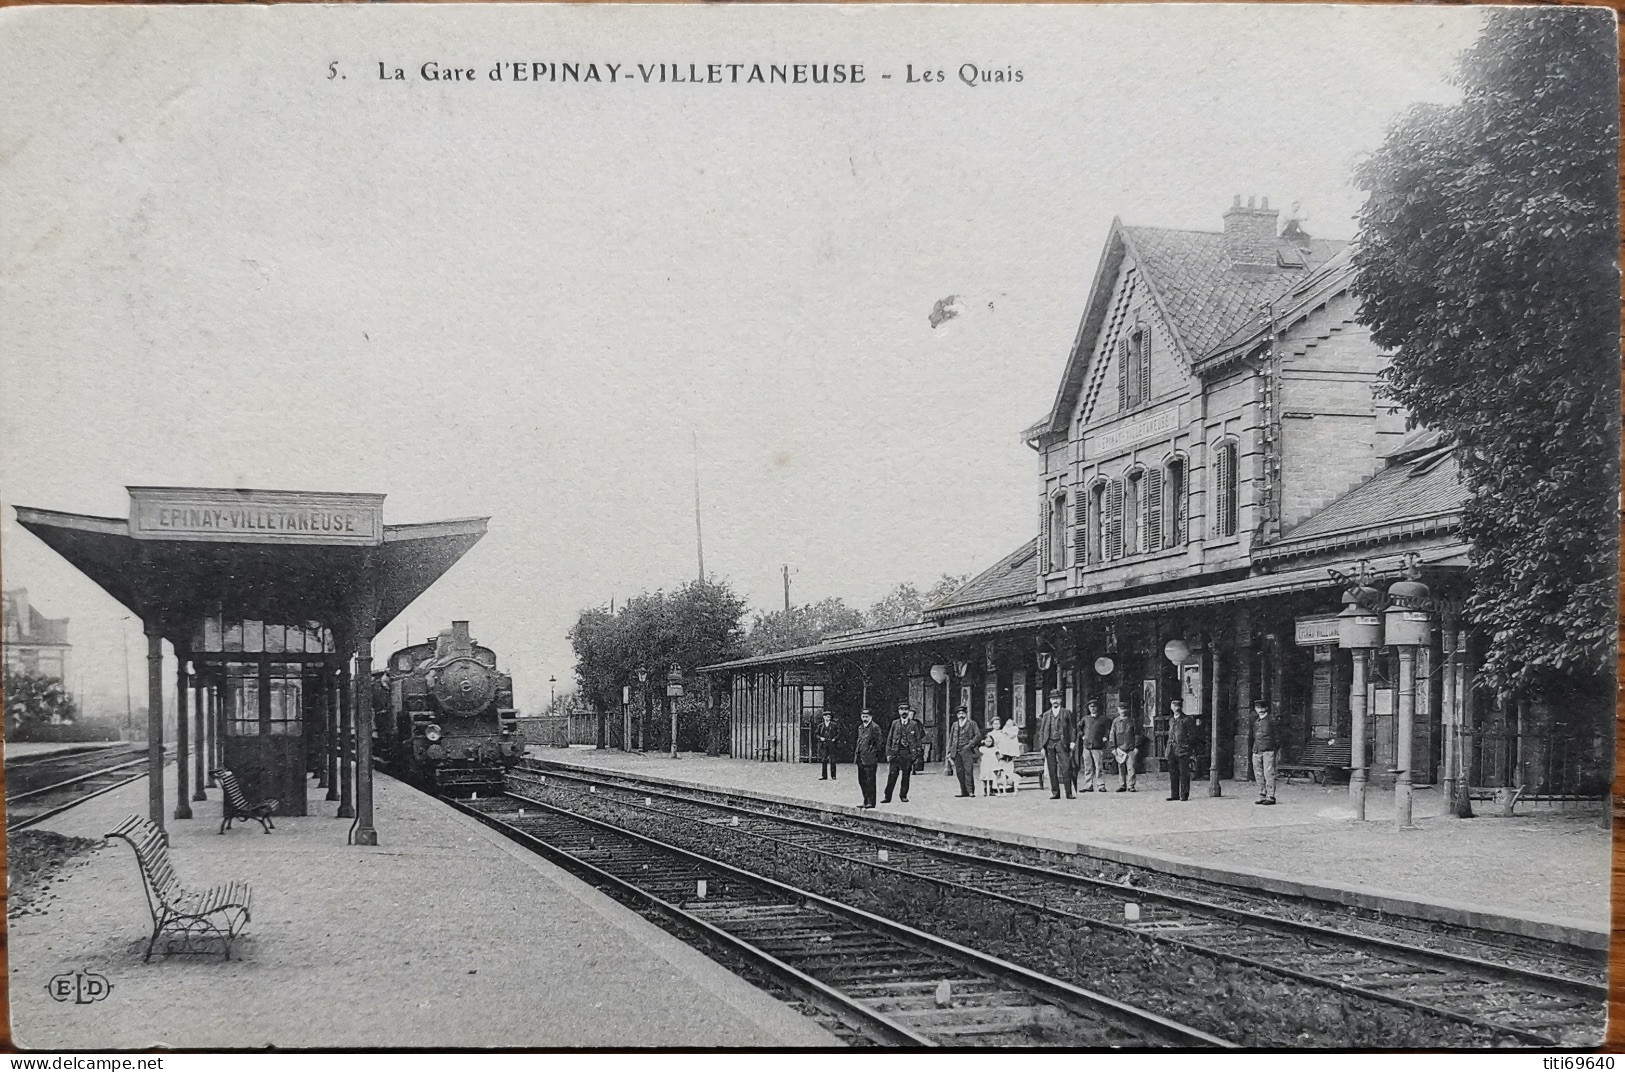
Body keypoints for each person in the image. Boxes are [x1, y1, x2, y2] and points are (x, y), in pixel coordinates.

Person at [1034, 690, 1076, 800]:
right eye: (1053, 699)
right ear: (1050, 701)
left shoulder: (1066, 712)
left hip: (1062, 743)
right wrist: (1042, 746)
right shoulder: (1046, 714)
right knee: (1052, 769)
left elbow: (1072, 728)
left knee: (1066, 768)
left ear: (1060, 700)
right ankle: (1055, 793)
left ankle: (1069, 793)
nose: (1055, 701)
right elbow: (1042, 731)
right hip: (1049, 743)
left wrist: (1072, 741)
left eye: (1057, 698)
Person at [883, 703, 924, 804]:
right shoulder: (895, 723)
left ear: (909, 711)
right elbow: (889, 739)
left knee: (906, 776)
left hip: (907, 753)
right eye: (902, 709)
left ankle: (903, 795)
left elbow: (918, 740)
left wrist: (916, 755)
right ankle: (887, 796)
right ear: (899, 711)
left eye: (906, 709)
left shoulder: (913, 724)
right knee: (892, 775)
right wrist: (888, 753)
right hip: (896, 753)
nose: (904, 711)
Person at [1165, 698, 1196, 801]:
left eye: (1177, 706)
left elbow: (1192, 736)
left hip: (1183, 750)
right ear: (1171, 707)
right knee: (1173, 773)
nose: (1175, 708)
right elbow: (1170, 735)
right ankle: (1174, 794)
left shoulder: (1186, 720)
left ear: (1180, 707)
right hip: (1172, 749)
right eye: (1174, 706)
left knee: (1184, 773)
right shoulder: (1171, 720)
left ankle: (1184, 794)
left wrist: (1188, 748)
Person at [947, 706, 982, 797]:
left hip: (968, 750)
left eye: (962, 713)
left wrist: (970, 744)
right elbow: (951, 738)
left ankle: (970, 791)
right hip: (956, 750)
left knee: (968, 770)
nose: (961, 715)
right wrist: (950, 751)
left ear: (966, 714)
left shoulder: (972, 723)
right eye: (959, 714)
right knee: (959, 771)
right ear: (957, 715)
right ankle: (963, 791)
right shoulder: (954, 724)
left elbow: (978, 735)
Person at [854, 709, 884, 809]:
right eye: (863, 716)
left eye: (867, 717)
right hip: (860, 758)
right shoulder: (860, 727)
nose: (865, 718)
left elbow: (879, 743)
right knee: (861, 780)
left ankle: (871, 802)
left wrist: (872, 752)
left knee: (870, 780)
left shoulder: (875, 727)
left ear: (871, 717)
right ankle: (865, 800)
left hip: (870, 759)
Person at [1251, 698, 1278, 805]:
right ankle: (1261, 794)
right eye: (1258, 707)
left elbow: (1277, 736)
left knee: (1268, 773)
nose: (1260, 710)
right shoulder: (1256, 722)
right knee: (1258, 773)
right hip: (1257, 749)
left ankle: (1270, 796)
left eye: (1262, 707)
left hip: (1268, 750)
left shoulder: (1272, 721)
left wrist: (1273, 747)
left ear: (1266, 708)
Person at [1079, 699, 1109, 793]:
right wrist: (1083, 736)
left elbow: (1109, 729)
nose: (1093, 708)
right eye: (1091, 707)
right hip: (1087, 746)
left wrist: (1105, 737)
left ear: (1098, 708)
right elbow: (1079, 729)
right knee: (1088, 766)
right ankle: (1088, 785)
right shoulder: (1085, 719)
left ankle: (1100, 785)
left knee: (1099, 766)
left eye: (1094, 707)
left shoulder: (1103, 719)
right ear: (1088, 708)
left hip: (1098, 746)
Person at [1110, 705, 1142, 792]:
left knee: (1131, 767)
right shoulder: (1115, 721)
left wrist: (1136, 746)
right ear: (1118, 710)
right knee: (1121, 767)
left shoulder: (1132, 721)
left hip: (1130, 747)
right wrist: (1113, 747)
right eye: (1121, 709)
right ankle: (1122, 785)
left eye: (1124, 709)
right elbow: (1112, 734)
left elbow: (1137, 734)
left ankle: (1131, 785)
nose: (1123, 711)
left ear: (1127, 710)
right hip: (1119, 747)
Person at [815, 710, 840, 781]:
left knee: (832, 760)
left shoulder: (834, 725)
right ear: (823, 717)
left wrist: (834, 739)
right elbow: (816, 734)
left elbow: (838, 733)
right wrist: (820, 738)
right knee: (824, 760)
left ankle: (833, 775)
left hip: (831, 744)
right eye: (825, 717)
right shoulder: (820, 725)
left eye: (828, 717)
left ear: (830, 717)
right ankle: (824, 776)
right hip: (824, 744)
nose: (827, 718)